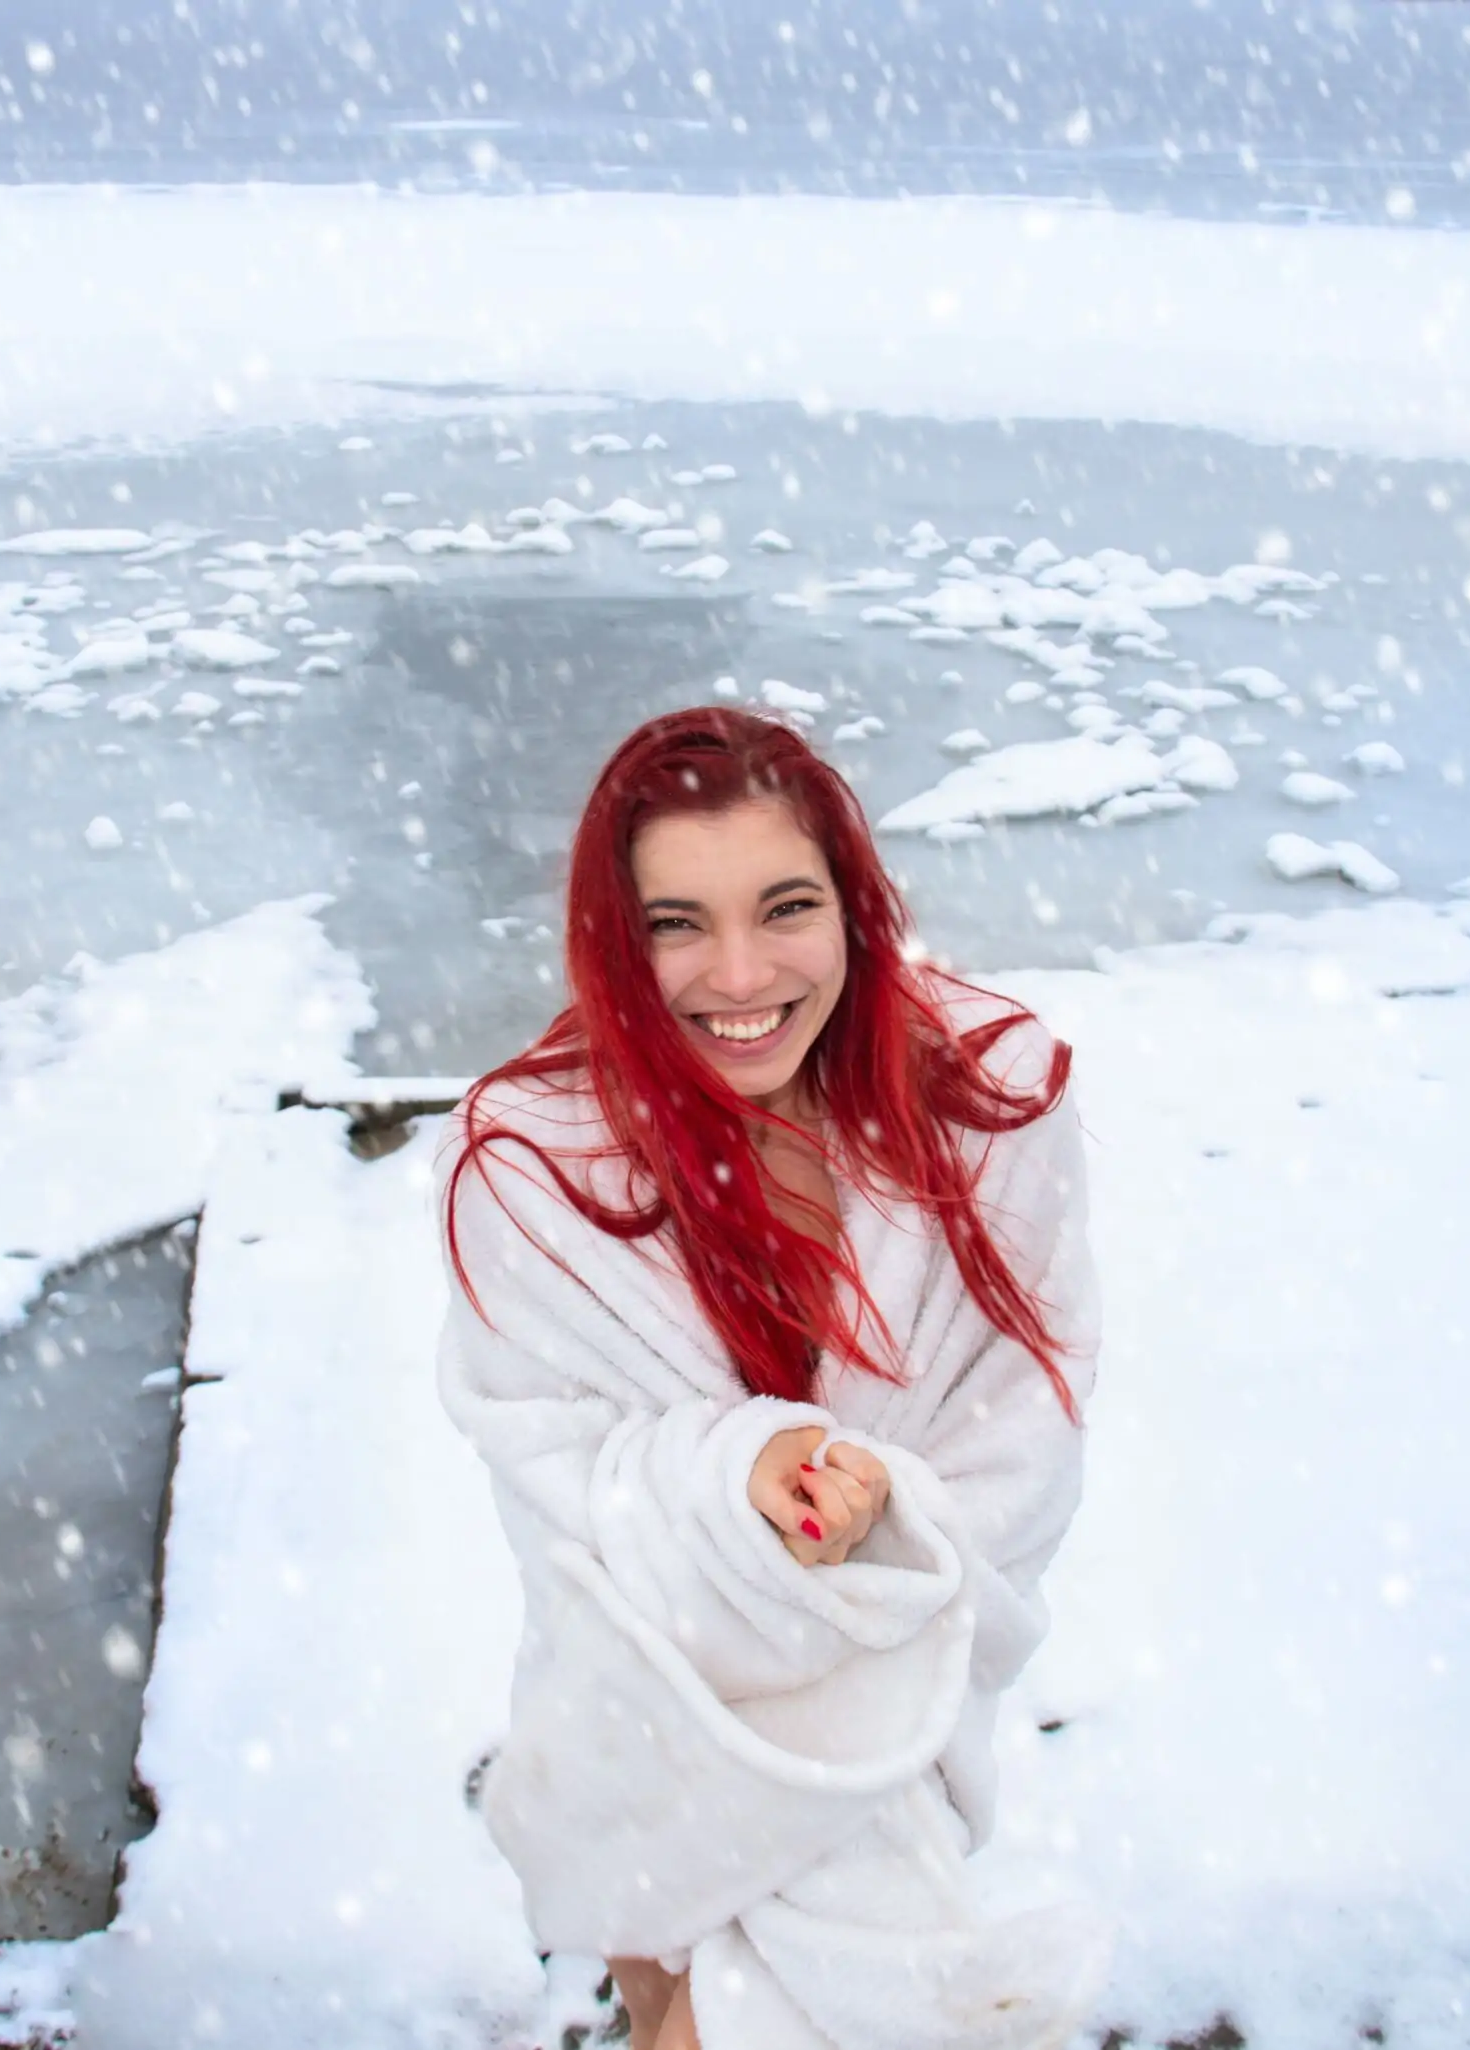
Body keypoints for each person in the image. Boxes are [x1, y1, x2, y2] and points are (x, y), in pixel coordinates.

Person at [435, 706, 1108, 2050]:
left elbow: (1022, 1444)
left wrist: (886, 1529)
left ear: (856, 907)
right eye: (676, 922)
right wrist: (734, 1479)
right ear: (616, 939)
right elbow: (559, 1484)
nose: (737, 973)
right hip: (655, 1719)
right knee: (670, 2005)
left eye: (783, 906)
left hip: (884, 1721)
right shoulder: (535, 1168)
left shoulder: (989, 1112)